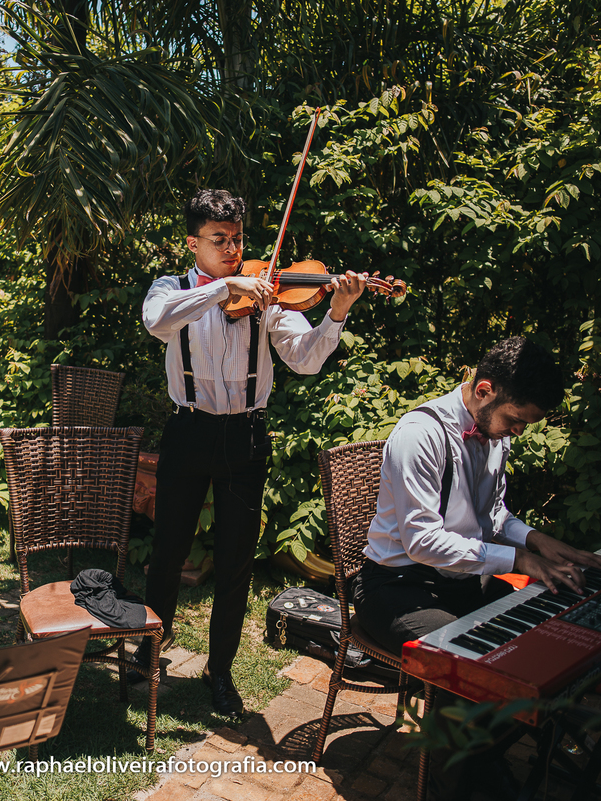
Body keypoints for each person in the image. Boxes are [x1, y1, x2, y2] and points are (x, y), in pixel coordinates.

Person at [136, 188, 368, 717]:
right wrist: (221, 290)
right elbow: (158, 322)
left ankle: (220, 673)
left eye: (238, 239)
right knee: (168, 552)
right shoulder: (170, 289)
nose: (232, 249)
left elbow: (305, 361)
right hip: (188, 432)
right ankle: (151, 649)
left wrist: (336, 312)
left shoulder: (267, 294)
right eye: (219, 240)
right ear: (194, 243)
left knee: (236, 561)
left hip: (245, 438)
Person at [354, 335, 601, 799]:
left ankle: (490, 755)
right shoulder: (421, 434)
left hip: (458, 581)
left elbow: (492, 517)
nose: (518, 432)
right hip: (394, 587)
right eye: (516, 421)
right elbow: (421, 542)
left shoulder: (492, 431)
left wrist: (543, 543)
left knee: (540, 628)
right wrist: (518, 560)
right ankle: (458, 787)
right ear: (485, 390)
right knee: (465, 667)